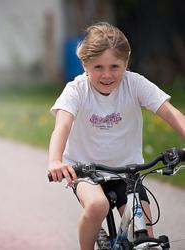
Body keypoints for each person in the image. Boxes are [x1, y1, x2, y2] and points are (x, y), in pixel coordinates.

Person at [48, 22, 185, 250]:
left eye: (115, 66)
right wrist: (55, 160)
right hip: (86, 171)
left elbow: (172, 114)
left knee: (146, 237)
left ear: (126, 63)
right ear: (85, 64)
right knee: (97, 206)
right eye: (98, 67)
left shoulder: (135, 84)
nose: (107, 74)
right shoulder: (76, 90)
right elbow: (61, 126)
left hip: (128, 172)